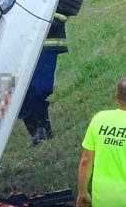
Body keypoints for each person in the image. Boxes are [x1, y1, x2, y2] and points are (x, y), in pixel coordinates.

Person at [18, 14, 68, 146]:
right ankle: (37, 132)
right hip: (15, 38)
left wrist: (56, 18)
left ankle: (42, 128)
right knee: (17, 91)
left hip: (46, 36)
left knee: (40, 87)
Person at [77, 78, 126, 207]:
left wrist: (82, 192)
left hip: (104, 200)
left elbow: (86, 160)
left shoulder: (100, 119)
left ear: (116, 96)